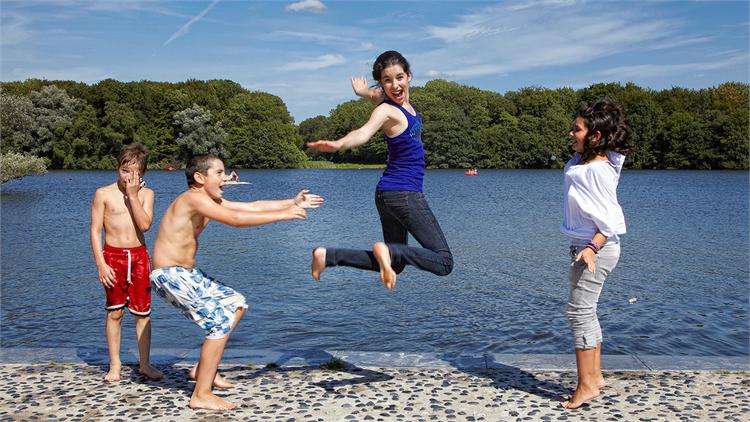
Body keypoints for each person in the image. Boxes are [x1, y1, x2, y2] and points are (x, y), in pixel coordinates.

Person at [149, 154, 323, 411]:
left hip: (186, 273)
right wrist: (284, 215)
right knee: (219, 322)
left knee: (236, 304)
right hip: (170, 275)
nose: (225, 177)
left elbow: (249, 207)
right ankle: (201, 395)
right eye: (218, 173)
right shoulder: (192, 199)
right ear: (199, 177)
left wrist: (291, 202)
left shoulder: (208, 199)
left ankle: (202, 370)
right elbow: (236, 220)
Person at [307, 50, 453, 289]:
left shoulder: (393, 102)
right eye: (387, 80)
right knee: (444, 262)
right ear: (382, 83)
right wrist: (340, 143)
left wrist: (363, 92)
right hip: (404, 194)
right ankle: (388, 250)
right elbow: (363, 132)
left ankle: (328, 256)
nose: (395, 85)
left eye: (399, 77)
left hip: (387, 195)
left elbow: (373, 95)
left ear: (409, 76)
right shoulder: (386, 111)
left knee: (395, 264)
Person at [560, 98, 632, 409]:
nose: (571, 133)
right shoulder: (589, 161)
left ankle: (587, 385)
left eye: (577, 129)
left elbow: (612, 218)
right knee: (588, 310)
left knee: (579, 312)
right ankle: (596, 376)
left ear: (595, 136)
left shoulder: (597, 170)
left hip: (595, 249)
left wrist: (592, 247)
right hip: (590, 247)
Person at [90, 143, 163, 383]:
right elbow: (95, 230)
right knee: (115, 313)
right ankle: (115, 365)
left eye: (135, 173)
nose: (128, 177)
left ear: (142, 174)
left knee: (143, 314)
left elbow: (145, 225)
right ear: (117, 169)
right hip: (113, 257)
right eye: (124, 171)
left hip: (139, 258)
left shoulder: (146, 194)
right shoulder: (103, 194)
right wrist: (101, 264)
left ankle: (144, 364)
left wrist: (133, 195)